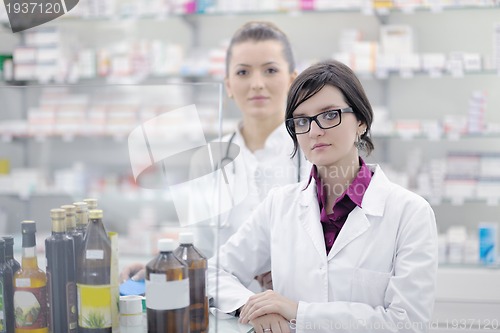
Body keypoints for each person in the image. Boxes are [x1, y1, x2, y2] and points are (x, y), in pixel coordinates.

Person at [207, 59, 438, 333]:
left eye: (330, 115)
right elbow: (214, 273)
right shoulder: (279, 205)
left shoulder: (410, 213)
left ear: (361, 121)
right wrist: (255, 305)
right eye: (302, 121)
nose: (315, 131)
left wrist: (298, 313)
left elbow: (408, 323)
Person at [120, 21, 309, 288]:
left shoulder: (314, 151)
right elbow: (199, 248)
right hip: (228, 313)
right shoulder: (210, 159)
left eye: (270, 70)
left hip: (295, 310)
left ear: (292, 80)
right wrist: (161, 268)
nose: (257, 83)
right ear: (229, 85)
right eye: (243, 72)